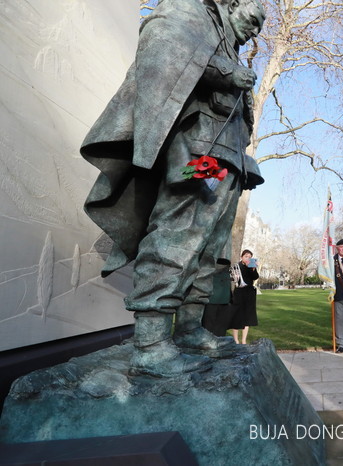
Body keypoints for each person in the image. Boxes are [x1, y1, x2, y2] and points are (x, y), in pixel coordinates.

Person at [80, 0, 266, 376]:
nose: (255, 31)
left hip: (227, 163)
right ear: (233, 5)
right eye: (253, 19)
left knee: (210, 251)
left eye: (260, 27)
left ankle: (189, 329)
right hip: (197, 154)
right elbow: (163, 46)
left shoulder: (230, 42)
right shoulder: (190, 12)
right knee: (176, 238)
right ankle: (150, 343)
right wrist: (225, 71)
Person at [230, 249, 260, 344]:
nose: (248, 258)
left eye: (250, 257)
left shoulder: (251, 266)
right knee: (237, 316)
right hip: (239, 293)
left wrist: (253, 269)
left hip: (249, 293)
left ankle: (244, 340)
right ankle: (236, 340)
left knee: (247, 317)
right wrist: (234, 276)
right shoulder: (237, 266)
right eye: (246, 256)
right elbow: (232, 278)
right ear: (241, 257)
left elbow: (255, 277)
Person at [202, 258, 234, 336]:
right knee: (220, 326)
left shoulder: (210, 271)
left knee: (209, 325)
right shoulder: (227, 273)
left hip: (212, 301)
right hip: (222, 302)